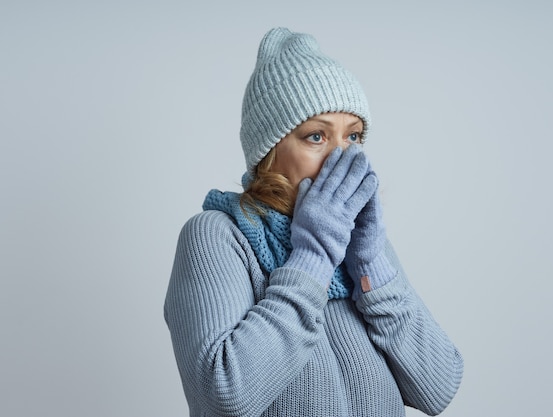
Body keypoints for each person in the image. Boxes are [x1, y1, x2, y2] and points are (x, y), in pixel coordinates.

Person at [164, 27, 463, 417]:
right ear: (268, 151)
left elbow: (437, 387)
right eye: (317, 136)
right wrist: (313, 256)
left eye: (353, 137)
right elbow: (224, 396)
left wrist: (370, 264)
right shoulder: (217, 237)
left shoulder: (362, 244)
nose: (343, 158)